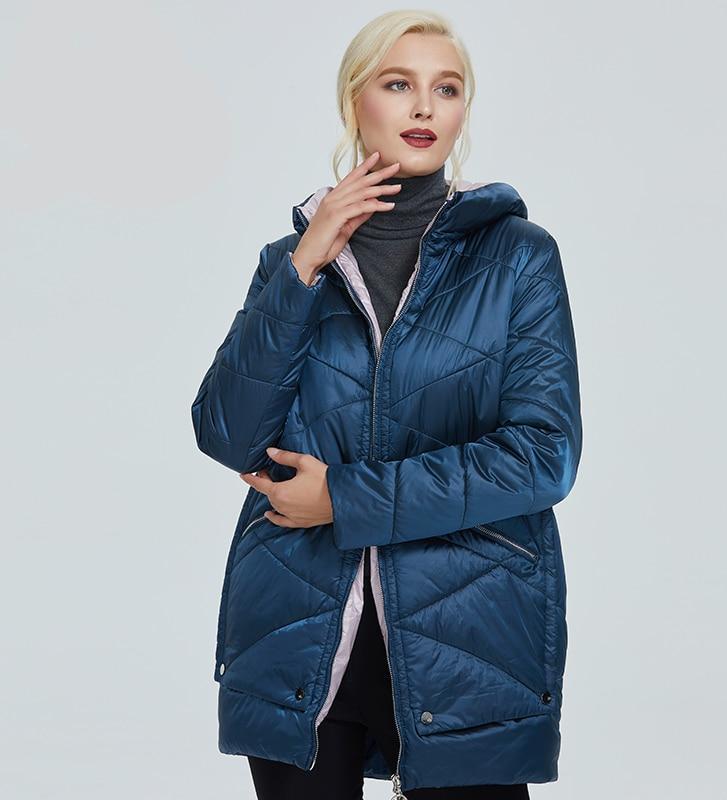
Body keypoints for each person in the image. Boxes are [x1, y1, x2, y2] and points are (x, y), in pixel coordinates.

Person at [190, 10, 582, 800]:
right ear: (354, 101)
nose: (425, 106)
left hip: (468, 636)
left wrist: (344, 498)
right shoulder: (290, 261)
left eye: (448, 88)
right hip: (298, 629)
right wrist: (304, 267)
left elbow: (543, 457)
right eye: (399, 84)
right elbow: (227, 432)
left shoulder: (519, 258)